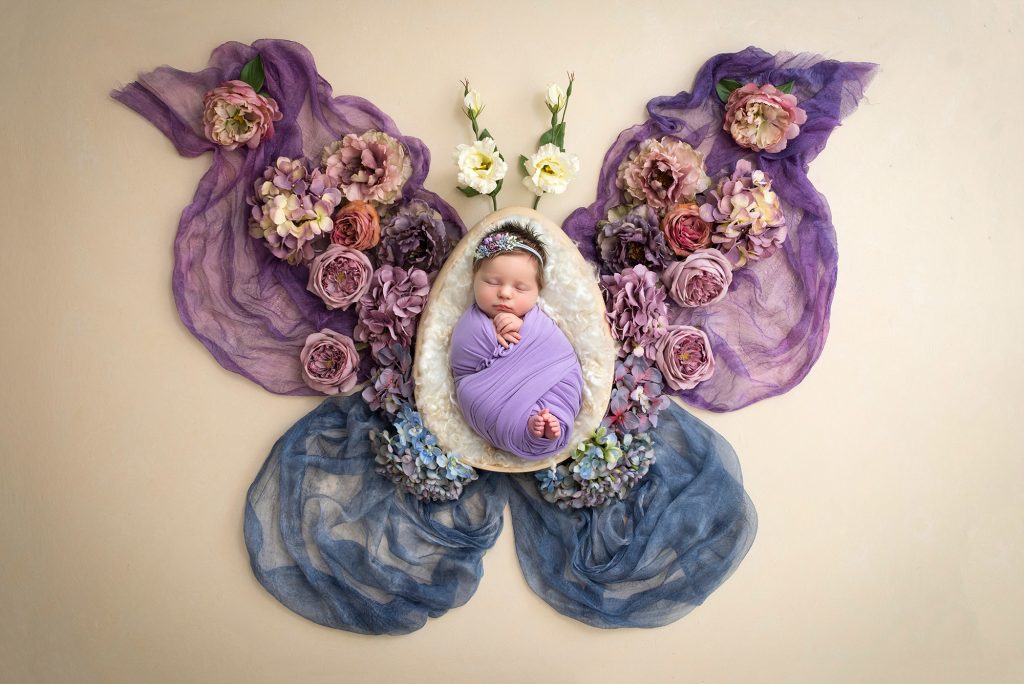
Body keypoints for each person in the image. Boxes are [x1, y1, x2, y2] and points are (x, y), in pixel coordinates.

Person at [449, 221, 584, 460]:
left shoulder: (538, 323)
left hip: (547, 386)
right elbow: (461, 359)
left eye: (520, 288)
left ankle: (542, 427)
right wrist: (487, 337)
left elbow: (560, 352)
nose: (505, 293)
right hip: (485, 397)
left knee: (560, 393)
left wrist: (526, 330)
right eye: (492, 282)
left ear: (537, 292)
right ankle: (532, 426)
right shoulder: (471, 321)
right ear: (474, 278)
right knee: (469, 392)